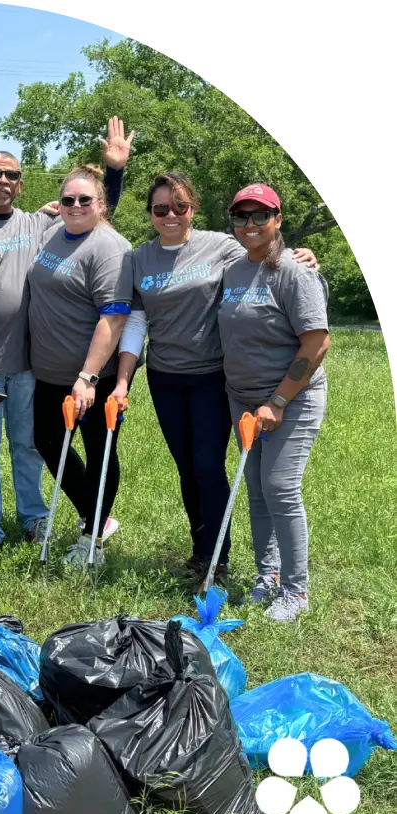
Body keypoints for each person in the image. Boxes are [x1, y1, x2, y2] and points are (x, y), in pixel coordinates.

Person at [113, 172, 318, 588]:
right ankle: (202, 551)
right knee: (187, 467)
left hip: (213, 376)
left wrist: (304, 255)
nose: (171, 215)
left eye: (180, 207)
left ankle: (221, 558)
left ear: (194, 210)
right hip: (165, 377)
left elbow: (265, 253)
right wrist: (124, 379)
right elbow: (136, 323)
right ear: (151, 213)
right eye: (161, 209)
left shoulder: (221, 246)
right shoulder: (139, 259)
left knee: (208, 465)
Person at [0, 117, 133, 549]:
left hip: (30, 365)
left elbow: (91, 216)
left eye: (12, 174)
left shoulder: (38, 225)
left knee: (30, 447)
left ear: (21, 184)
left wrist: (115, 172)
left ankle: (35, 520)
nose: (3, 180)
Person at [218, 184, 330, 621]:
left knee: (281, 487)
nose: (249, 224)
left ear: (277, 220)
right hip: (242, 401)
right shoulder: (233, 269)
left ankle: (296, 592)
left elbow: (317, 343)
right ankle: (269, 576)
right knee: (258, 492)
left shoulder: (292, 272)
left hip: (290, 400)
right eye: (241, 216)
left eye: (259, 216)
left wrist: (279, 400)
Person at [27, 164, 135, 565]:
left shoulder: (109, 247)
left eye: (85, 199)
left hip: (94, 378)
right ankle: (97, 517)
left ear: (102, 205)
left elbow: (113, 318)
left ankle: (92, 539)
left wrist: (87, 377)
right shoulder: (55, 233)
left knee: (99, 453)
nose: (75, 206)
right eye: (68, 199)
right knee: (46, 440)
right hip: (49, 374)